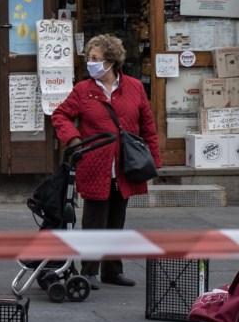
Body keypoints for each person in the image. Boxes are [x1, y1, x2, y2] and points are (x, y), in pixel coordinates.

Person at [50, 34, 161, 288]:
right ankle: (89, 271)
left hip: (125, 165)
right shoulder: (83, 90)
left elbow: (148, 125)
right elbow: (60, 116)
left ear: (111, 61)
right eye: (89, 58)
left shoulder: (134, 87)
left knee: (116, 220)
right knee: (93, 220)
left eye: (96, 59)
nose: (91, 63)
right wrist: (74, 140)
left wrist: (154, 160)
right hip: (95, 163)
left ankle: (112, 270)